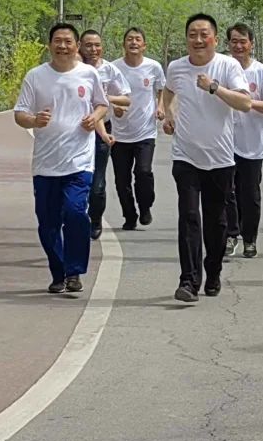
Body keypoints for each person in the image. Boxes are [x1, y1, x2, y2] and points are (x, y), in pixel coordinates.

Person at [162, 14, 251, 302]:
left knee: (216, 221)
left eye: (204, 34)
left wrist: (214, 87)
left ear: (215, 38)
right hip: (185, 155)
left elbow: (245, 102)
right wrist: (168, 113)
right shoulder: (176, 67)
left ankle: (213, 271)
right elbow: (168, 91)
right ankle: (188, 281)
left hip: (219, 158)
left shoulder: (228, 65)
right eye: (192, 34)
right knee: (189, 216)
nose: (198, 40)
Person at [13, 23, 109, 293]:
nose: (63, 46)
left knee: (76, 212)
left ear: (77, 46)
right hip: (46, 164)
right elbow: (19, 114)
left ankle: (74, 272)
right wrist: (35, 120)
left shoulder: (88, 74)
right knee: (48, 224)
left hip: (79, 161)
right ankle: (59, 272)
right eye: (58, 41)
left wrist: (94, 117)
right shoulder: (36, 76)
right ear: (49, 45)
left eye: (68, 41)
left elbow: (102, 104)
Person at [224, 23, 263, 259]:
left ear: (251, 44)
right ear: (228, 44)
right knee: (227, 193)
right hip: (224, 143)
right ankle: (230, 235)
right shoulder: (221, 69)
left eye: (242, 41)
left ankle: (249, 239)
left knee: (250, 195)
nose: (238, 46)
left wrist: (246, 103)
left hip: (252, 144)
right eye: (234, 41)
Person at [110, 27, 166, 232]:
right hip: (119, 133)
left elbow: (161, 89)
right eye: (130, 39)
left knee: (143, 172)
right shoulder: (114, 68)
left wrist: (160, 107)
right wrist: (115, 108)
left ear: (144, 45)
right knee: (121, 179)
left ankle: (145, 206)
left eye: (137, 39)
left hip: (145, 131)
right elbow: (108, 94)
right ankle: (129, 215)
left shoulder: (153, 67)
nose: (133, 42)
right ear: (123, 44)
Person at [79, 30, 132, 239]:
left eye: (97, 45)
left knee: (97, 181)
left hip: (102, 130)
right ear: (80, 46)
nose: (93, 49)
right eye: (88, 45)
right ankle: (75, 218)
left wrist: (105, 98)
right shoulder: (74, 68)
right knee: (76, 178)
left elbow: (126, 99)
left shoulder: (110, 70)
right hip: (75, 131)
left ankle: (95, 220)